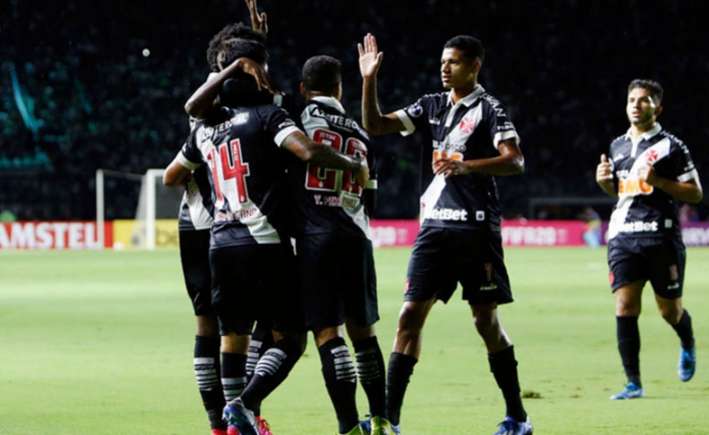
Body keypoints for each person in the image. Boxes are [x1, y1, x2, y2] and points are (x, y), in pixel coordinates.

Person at [166, 36, 369, 435]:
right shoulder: (268, 117)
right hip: (264, 241)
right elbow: (307, 152)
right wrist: (349, 164)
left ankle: (228, 422)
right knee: (292, 339)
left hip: (219, 242)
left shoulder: (205, 125)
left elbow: (172, 176)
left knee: (232, 337)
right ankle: (244, 405)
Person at [358, 33, 532, 435]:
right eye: (442, 61)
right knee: (408, 316)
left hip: (475, 230)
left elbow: (515, 160)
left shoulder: (490, 109)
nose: (444, 67)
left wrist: (468, 166)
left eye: (453, 62)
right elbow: (375, 124)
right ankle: (390, 419)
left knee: (485, 321)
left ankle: (518, 417)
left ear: (474, 66)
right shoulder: (431, 105)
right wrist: (369, 80)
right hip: (434, 229)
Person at [292, 54, 387, 435]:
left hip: (316, 237)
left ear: (303, 89)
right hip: (356, 235)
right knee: (364, 332)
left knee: (328, 333)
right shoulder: (362, 134)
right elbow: (372, 198)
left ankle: (348, 426)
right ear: (339, 89)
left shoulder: (296, 122)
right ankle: (381, 420)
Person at [595, 79, 702, 400]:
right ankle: (633, 383)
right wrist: (604, 184)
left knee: (669, 311)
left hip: (661, 237)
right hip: (623, 237)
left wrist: (658, 180)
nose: (636, 104)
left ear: (658, 107)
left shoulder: (672, 146)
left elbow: (695, 192)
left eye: (644, 100)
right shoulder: (617, 146)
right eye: (632, 99)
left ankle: (687, 341)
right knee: (625, 306)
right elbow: (620, 192)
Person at [164, 118, 228, 435]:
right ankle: (243, 414)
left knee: (205, 324)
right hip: (229, 226)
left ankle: (217, 424)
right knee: (244, 325)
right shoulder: (233, 108)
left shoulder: (198, 108)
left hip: (191, 224)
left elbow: (172, 176)